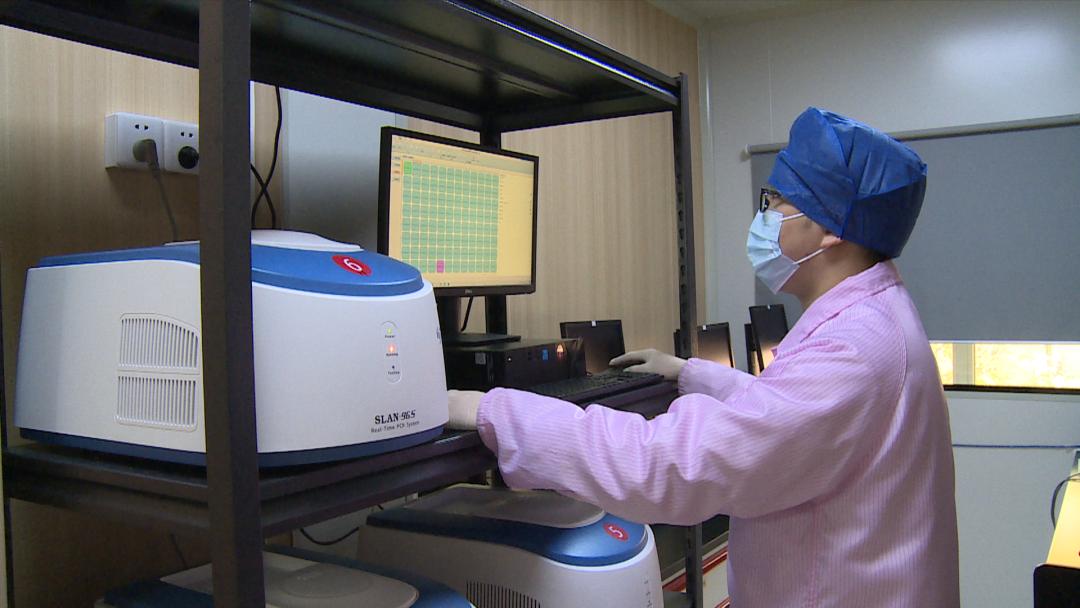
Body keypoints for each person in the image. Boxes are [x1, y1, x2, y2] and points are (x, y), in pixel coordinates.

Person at [446, 107, 960, 607]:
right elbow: (785, 411)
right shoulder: (876, 317)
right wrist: (688, 372)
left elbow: (669, 465)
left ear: (830, 228)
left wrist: (495, 412)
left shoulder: (850, 349)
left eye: (776, 199)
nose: (765, 215)